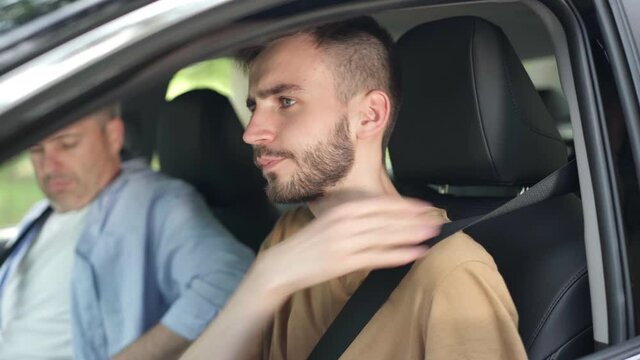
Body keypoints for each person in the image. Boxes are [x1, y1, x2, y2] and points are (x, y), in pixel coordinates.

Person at [181, 17, 527, 359]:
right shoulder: (292, 236)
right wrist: (266, 281)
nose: (252, 132)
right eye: (255, 106)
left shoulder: (452, 273)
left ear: (369, 115)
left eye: (286, 101)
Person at [0, 105, 254, 359]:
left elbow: (230, 278)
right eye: (36, 150)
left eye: (67, 144)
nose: (49, 166)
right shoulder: (40, 214)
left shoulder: (153, 201)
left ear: (113, 136)